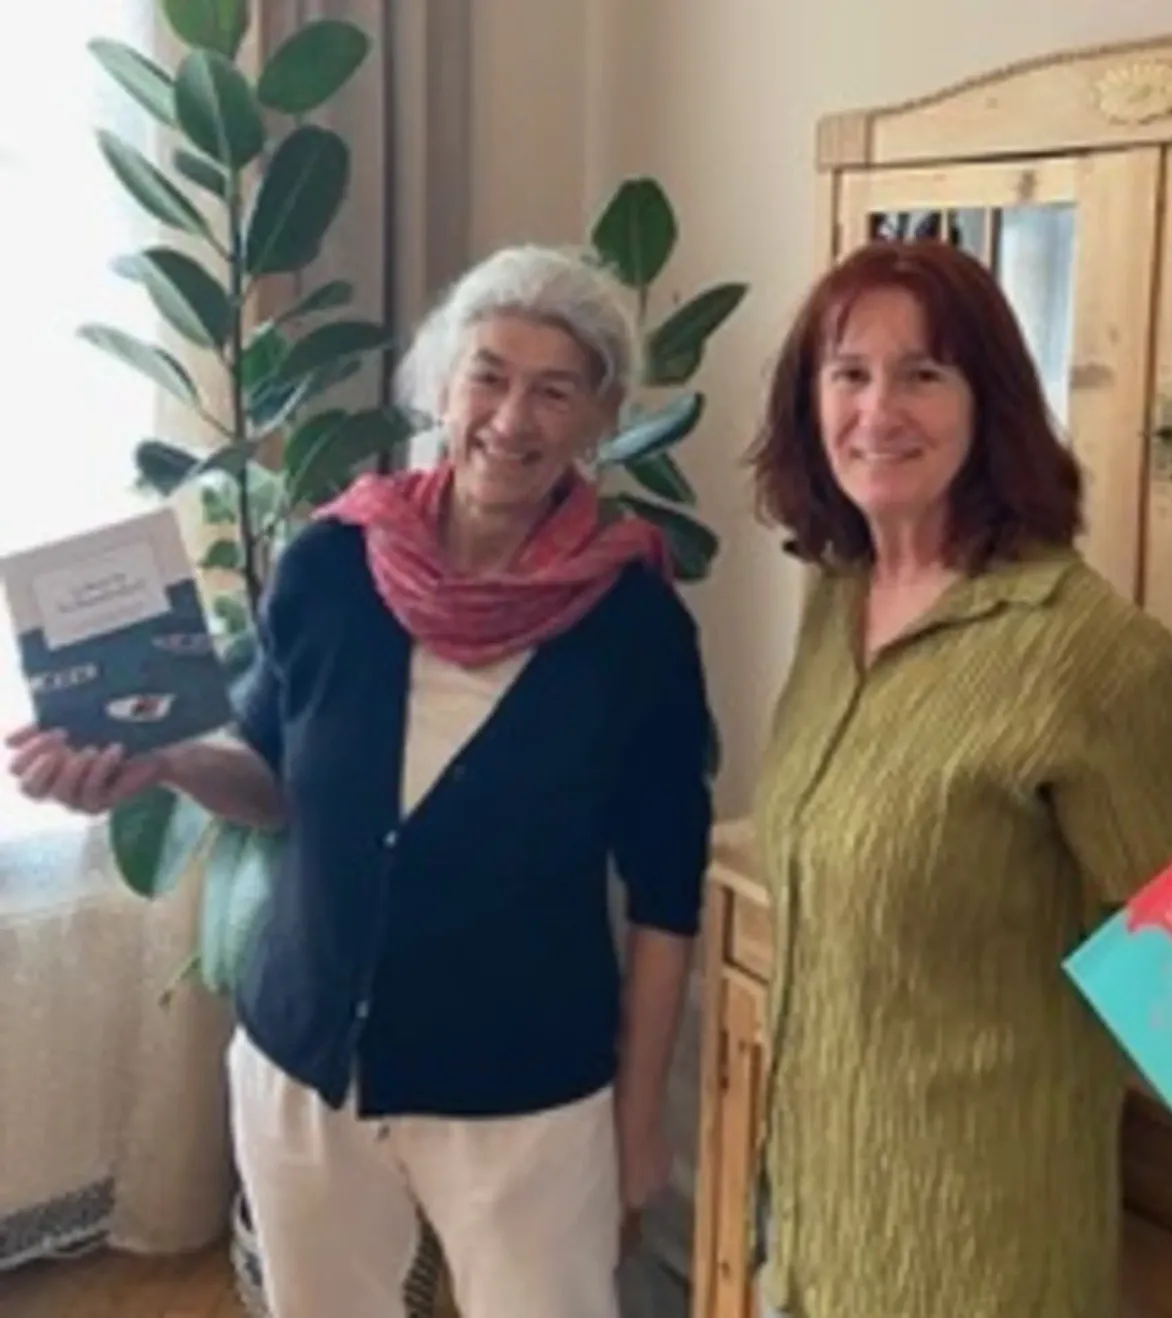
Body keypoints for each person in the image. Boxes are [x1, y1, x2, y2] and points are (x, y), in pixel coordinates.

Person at [5, 244, 713, 1318]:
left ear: (598, 418)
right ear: (441, 384)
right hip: (305, 1067)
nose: (511, 418)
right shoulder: (333, 565)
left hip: (522, 1092)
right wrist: (165, 761)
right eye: (488, 375)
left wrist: (640, 1116)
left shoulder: (635, 624)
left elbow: (666, 894)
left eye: (554, 390)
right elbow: (271, 777)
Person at [744, 237, 1172, 1318]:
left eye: (923, 373)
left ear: (990, 403)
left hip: (973, 1247)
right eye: (850, 373)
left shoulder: (1087, 653)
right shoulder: (838, 597)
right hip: (814, 1217)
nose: (878, 410)